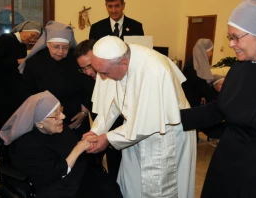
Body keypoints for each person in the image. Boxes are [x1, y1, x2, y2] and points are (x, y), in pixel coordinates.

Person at [180, 0, 256, 197]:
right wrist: (174, 117)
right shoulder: (241, 65)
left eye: (236, 38)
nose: (231, 44)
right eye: (229, 37)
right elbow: (220, 109)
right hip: (226, 164)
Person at [83, 36, 197, 198]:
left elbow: (149, 122)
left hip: (164, 136)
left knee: (158, 188)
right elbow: (112, 103)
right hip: (132, 133)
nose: (101, 77)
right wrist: (96, 130)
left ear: (124, 64)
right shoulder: (109, 63)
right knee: (132, 183)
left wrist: (108, 138)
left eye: (104, 73)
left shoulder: (155, 70)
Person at [0, 90, 123, 198]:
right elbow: (53, 175)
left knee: (110, 187)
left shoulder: (57, 128)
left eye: (61, 110)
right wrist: (79, 148)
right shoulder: (26, 145)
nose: (62, 116)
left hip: (77, 174)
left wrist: (90, 145)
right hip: (55, 187)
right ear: (39, 123)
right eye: (56, 115)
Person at [18, 21, 94, 140]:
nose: (60, 51)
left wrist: (84, 113)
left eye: (65, 48)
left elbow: (88, 85)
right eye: (56, 47)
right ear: (47, 44)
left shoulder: (75, 59)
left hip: (75, 118)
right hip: (46, 121)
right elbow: (26, 92)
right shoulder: (34, 62)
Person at [0, 21, 42, 147]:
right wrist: (18, 61)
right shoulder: (5, 39)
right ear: (23, 31)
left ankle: (9, 141)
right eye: (32, 36)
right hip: (0, 86)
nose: (32, 40)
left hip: (12, 86)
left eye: (35, 38)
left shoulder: (22, 45)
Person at [75, 39, 124, 181]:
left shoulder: (113, 72)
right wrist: (96, 131)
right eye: (83, 68)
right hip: (104, 128)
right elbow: (103, 110)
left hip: (123, 130)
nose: (88, 72)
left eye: (90, 66)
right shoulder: (90, 76)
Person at [182, 38, 218, 107]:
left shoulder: (197, 61)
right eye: (211, 50)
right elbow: (202, 85)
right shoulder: (193, 65)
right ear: (204, 51)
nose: (211, 53)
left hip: (196, 97)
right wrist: (217, 100)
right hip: (190, 101)